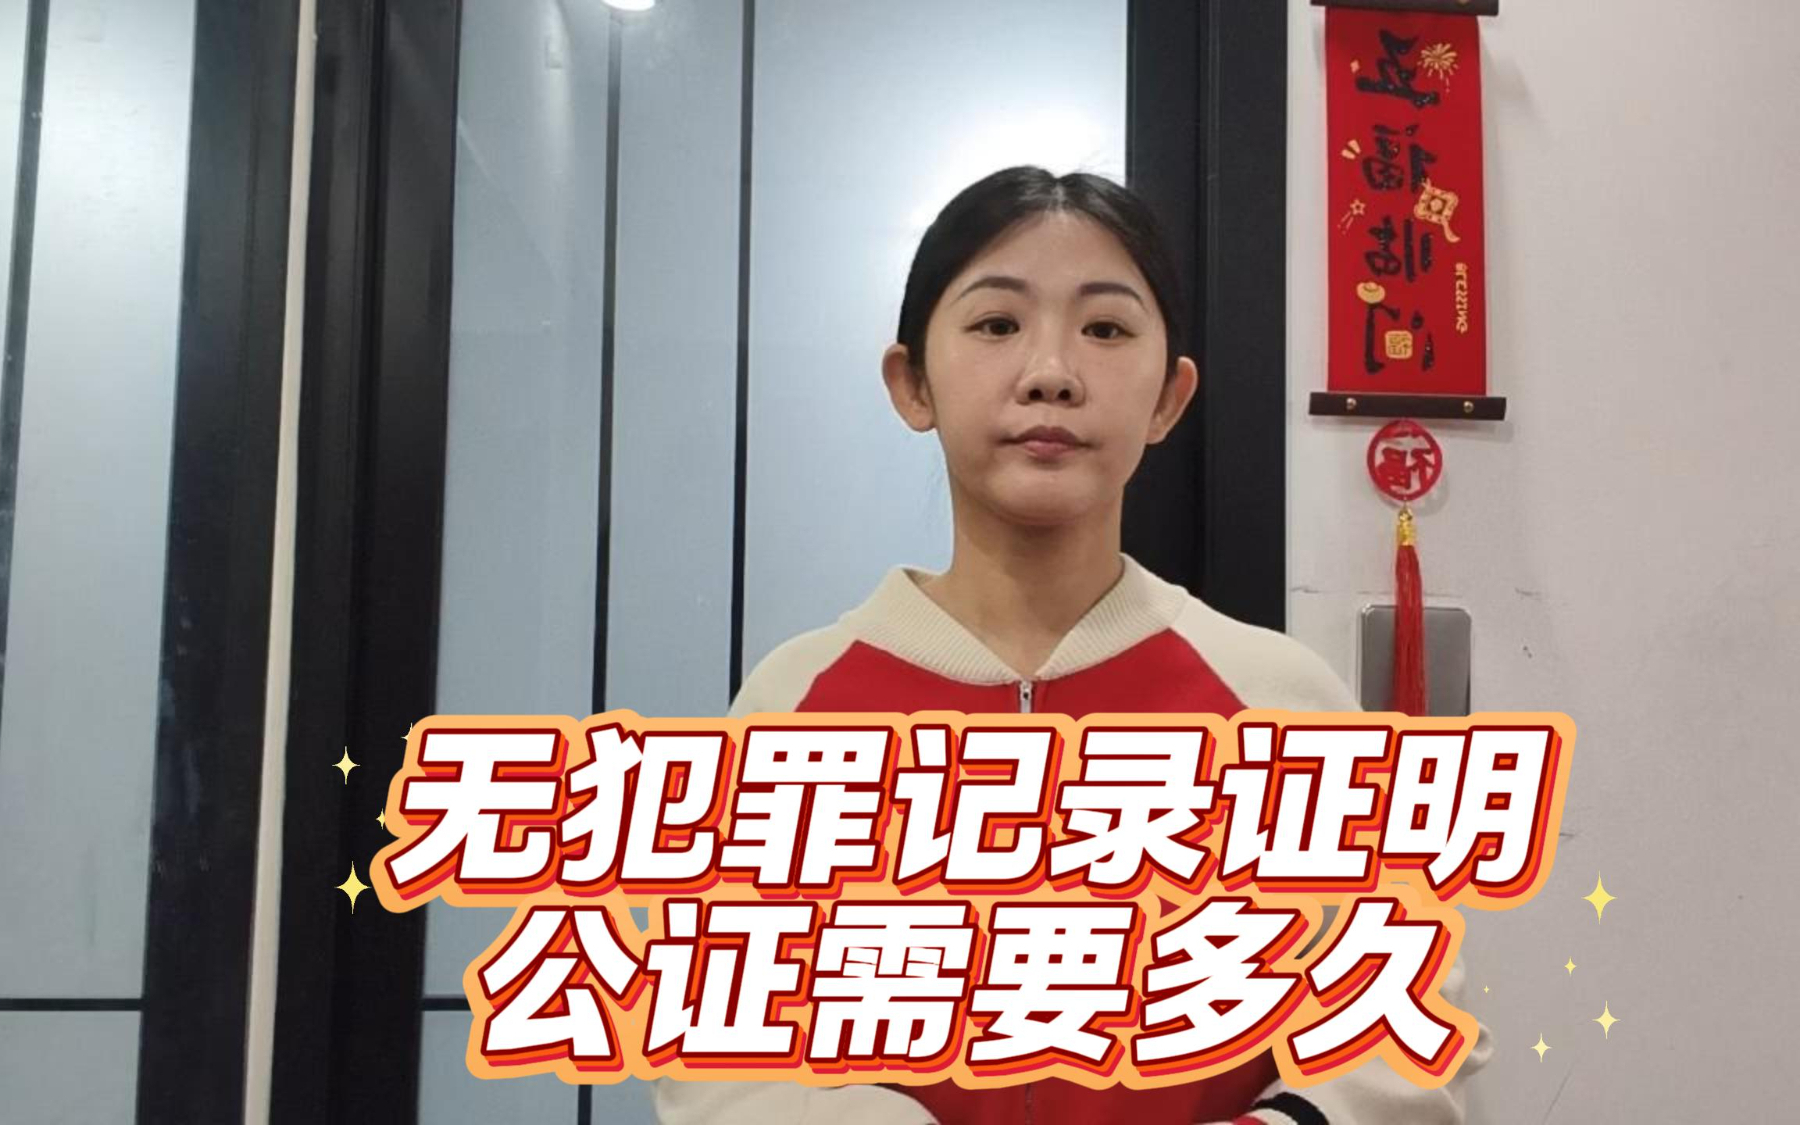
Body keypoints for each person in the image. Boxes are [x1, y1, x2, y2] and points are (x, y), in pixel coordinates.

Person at [656, 166, 1490, 1124]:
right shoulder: (797, 704)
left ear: (1170, 397)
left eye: (1105, 329)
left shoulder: (1277, 696)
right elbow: (719, 1054)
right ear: (912, 383)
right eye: (996, 323)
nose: (1051, 370)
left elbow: (1406, 1006)